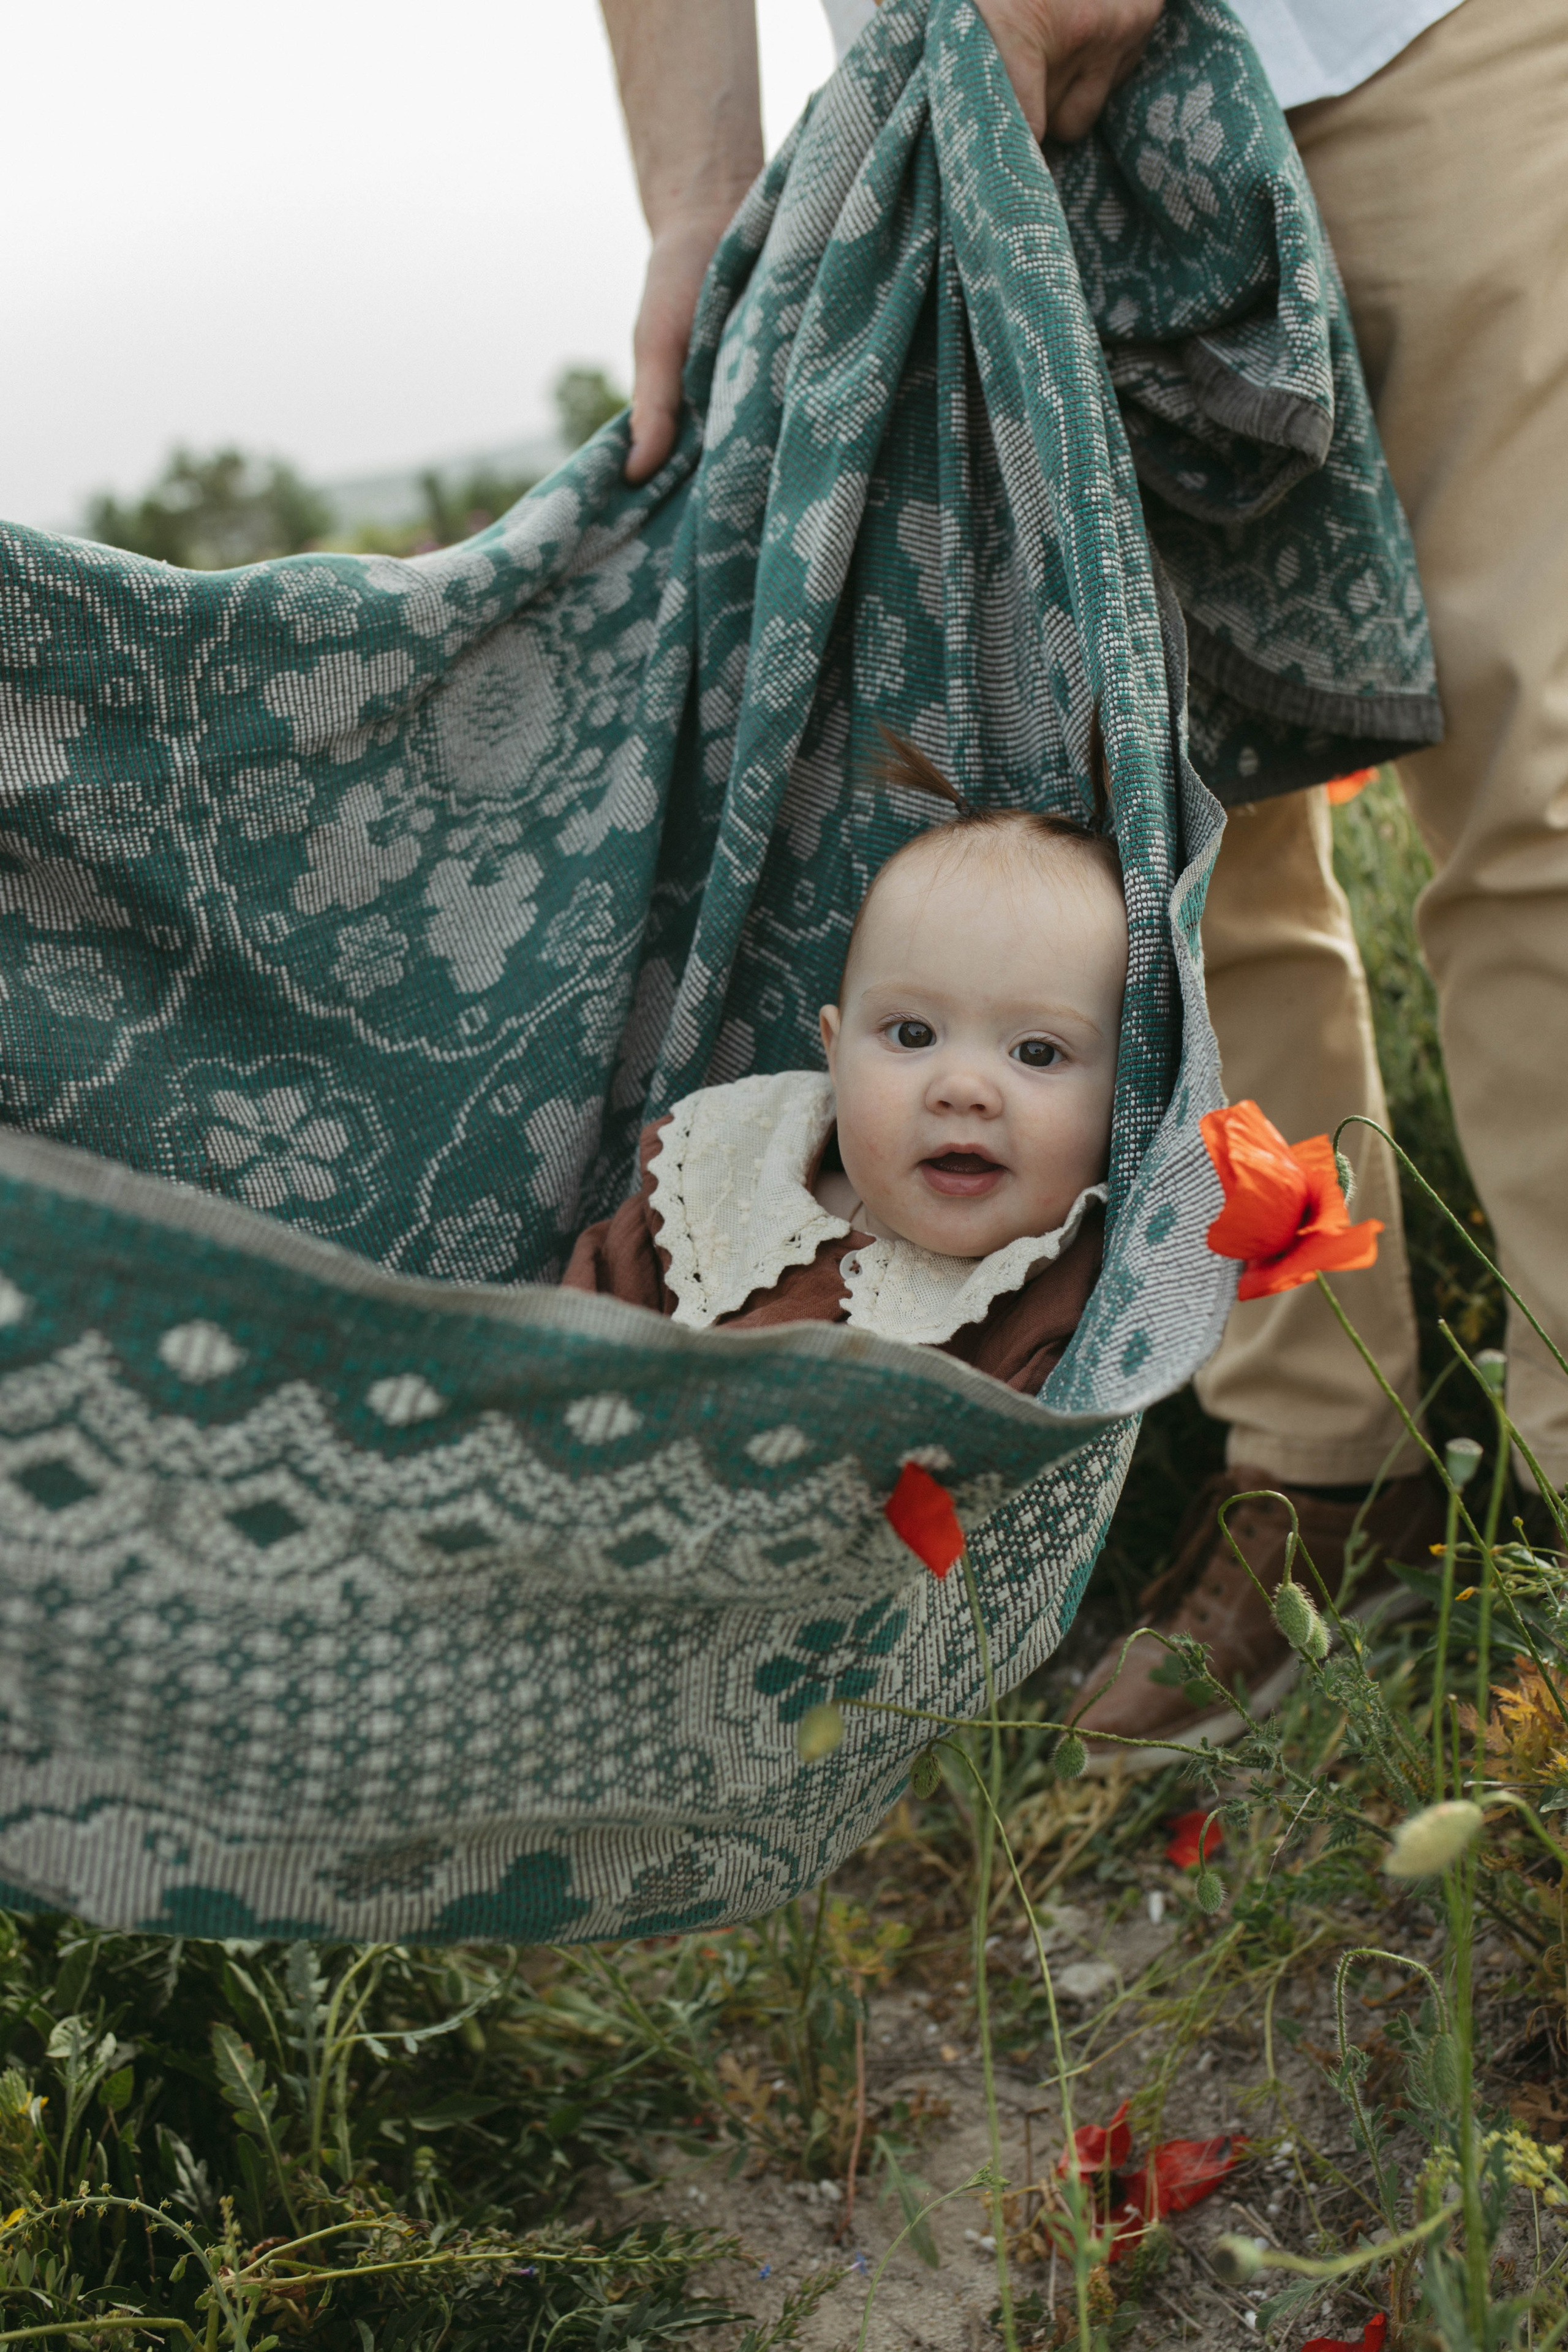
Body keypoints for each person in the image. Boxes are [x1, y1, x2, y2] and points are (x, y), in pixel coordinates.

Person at [597, 0, 1568, 1752]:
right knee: (1165, 864)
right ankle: (1327, 1474)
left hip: (1423, 41)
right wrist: (706, 200)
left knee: (1547, 796)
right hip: (1005, 93)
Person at [564, 739, 1126, 1392]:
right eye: (912, 1034)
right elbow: (580, 1326)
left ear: (1124, 1090)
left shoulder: (1069, 1297)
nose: (962, 1090)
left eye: (1037, 1052)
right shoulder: (726, 1186)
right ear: (833, 1051)